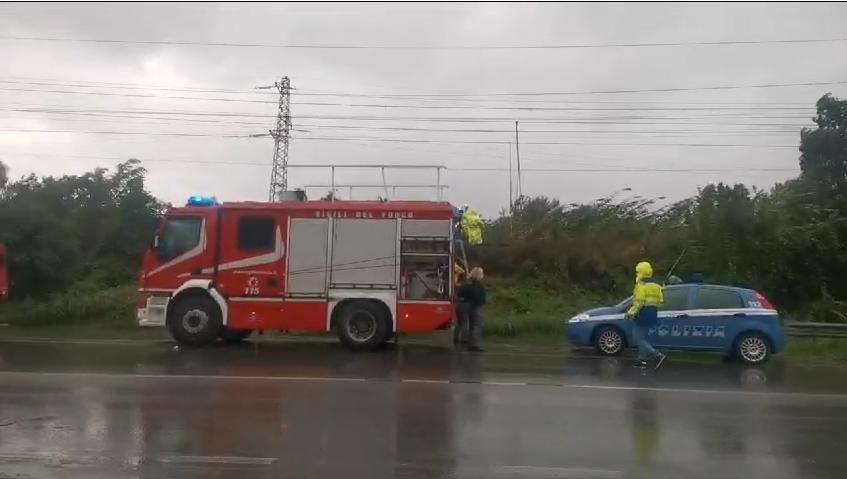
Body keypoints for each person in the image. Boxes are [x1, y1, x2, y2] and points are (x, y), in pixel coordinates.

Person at [626, 261, 667, 369]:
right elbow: (660, 302)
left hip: (642, 313)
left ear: (641, 272)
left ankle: (657, 355)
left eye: (637, 272)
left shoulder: (641, 284)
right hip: (653, 313)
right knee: (643, 338)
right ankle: (641, 361)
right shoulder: (657, 285)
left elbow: (639, 302)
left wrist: (630, 313)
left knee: (637, 339)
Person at [458, 267, 487, 352]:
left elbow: (460, 293)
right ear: (479, 274)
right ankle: (474, 345)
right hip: (476, 306)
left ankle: (466, 341)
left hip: (465, 304)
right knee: (476, 325)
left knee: (467, 324)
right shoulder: (478, 284)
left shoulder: (466, 283)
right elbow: (479, 296)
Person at [453, 269, 470, 347]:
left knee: (459, 323)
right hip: (465, 305)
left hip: (458, 305)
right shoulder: (467, 286)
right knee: (465, 322)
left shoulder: (457, 286)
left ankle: (455, 337)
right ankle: (464, 339)